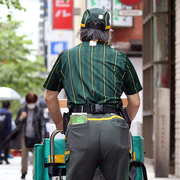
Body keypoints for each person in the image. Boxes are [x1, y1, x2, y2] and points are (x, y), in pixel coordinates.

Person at [43, 8, 142, 180]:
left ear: (81, 31)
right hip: (114, 128)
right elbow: (135, 102)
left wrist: (61, 125)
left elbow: (50, 97)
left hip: (79, 126)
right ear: (108, 32)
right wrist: (123, 124)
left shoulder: (66, 57)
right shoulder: (120, 58)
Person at [15, 92, 45, 179]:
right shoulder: (22, 110)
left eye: (33, 102)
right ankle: (23, 172)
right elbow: (16, 122)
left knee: (35, 157)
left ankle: (34, 173)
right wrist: (21, 118)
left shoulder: (39, 111)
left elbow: (42, 125)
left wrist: (42, 138)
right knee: (24, 156)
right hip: (24, 136)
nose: (31, 104)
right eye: (30, 102)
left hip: (36, 136)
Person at [0, 100, 12, 165]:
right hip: (6, 132)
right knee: (6, 146)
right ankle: (5, 158)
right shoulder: (8, 113)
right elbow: (9, 124)